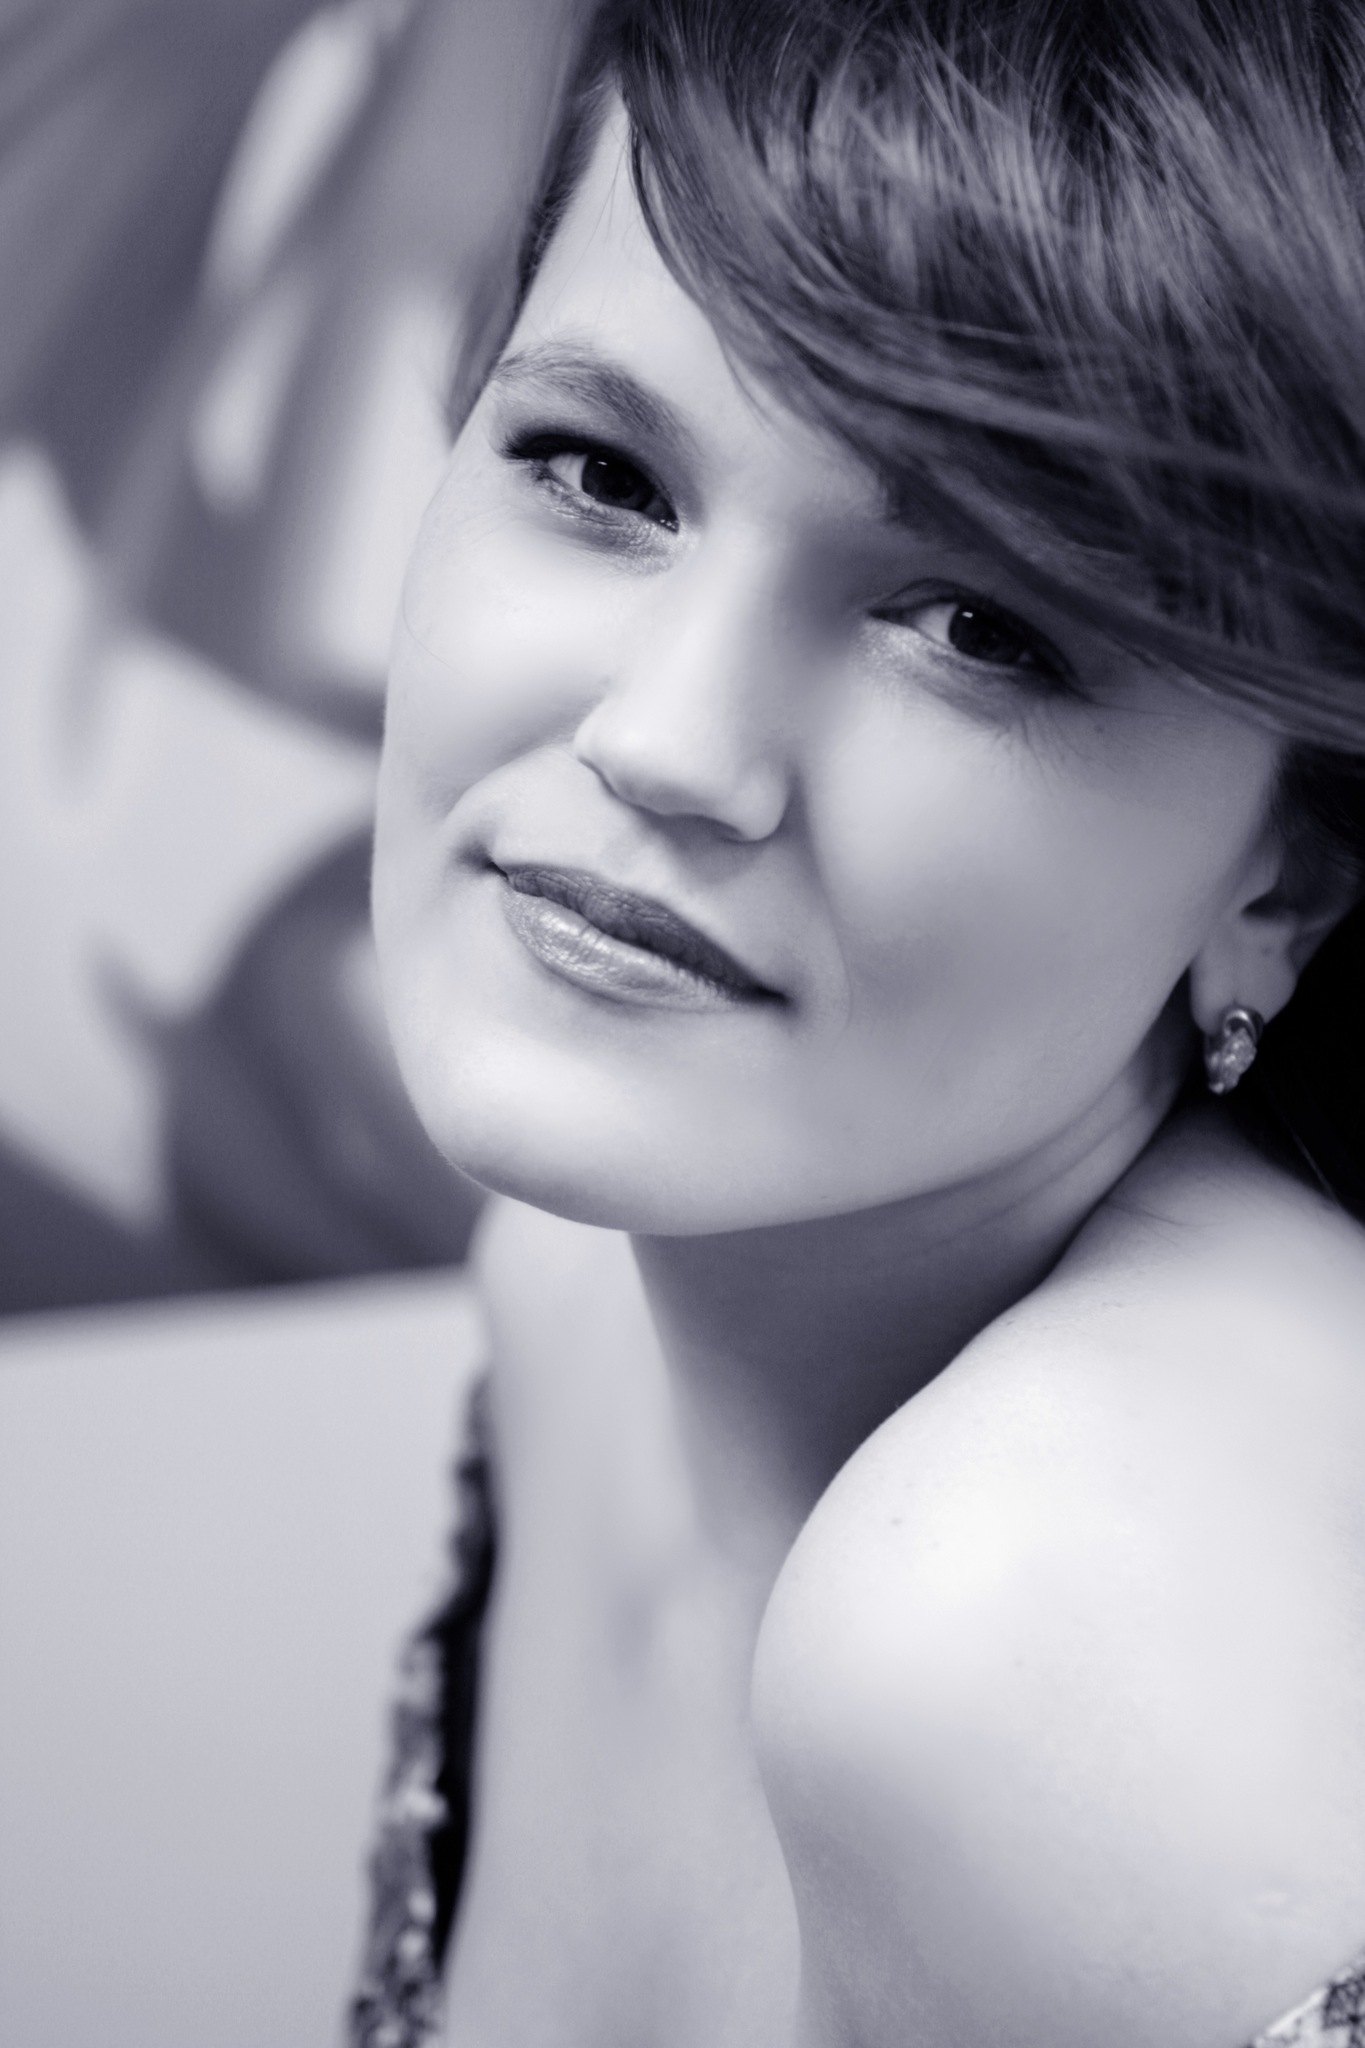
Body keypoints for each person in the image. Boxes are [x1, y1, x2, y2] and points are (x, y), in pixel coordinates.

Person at [351, 1, 1365, 2042]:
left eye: (979, 627)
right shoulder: (569, 1282)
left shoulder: (1022, 1621)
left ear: (1283, 873)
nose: (666, 741)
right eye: (601, 473)